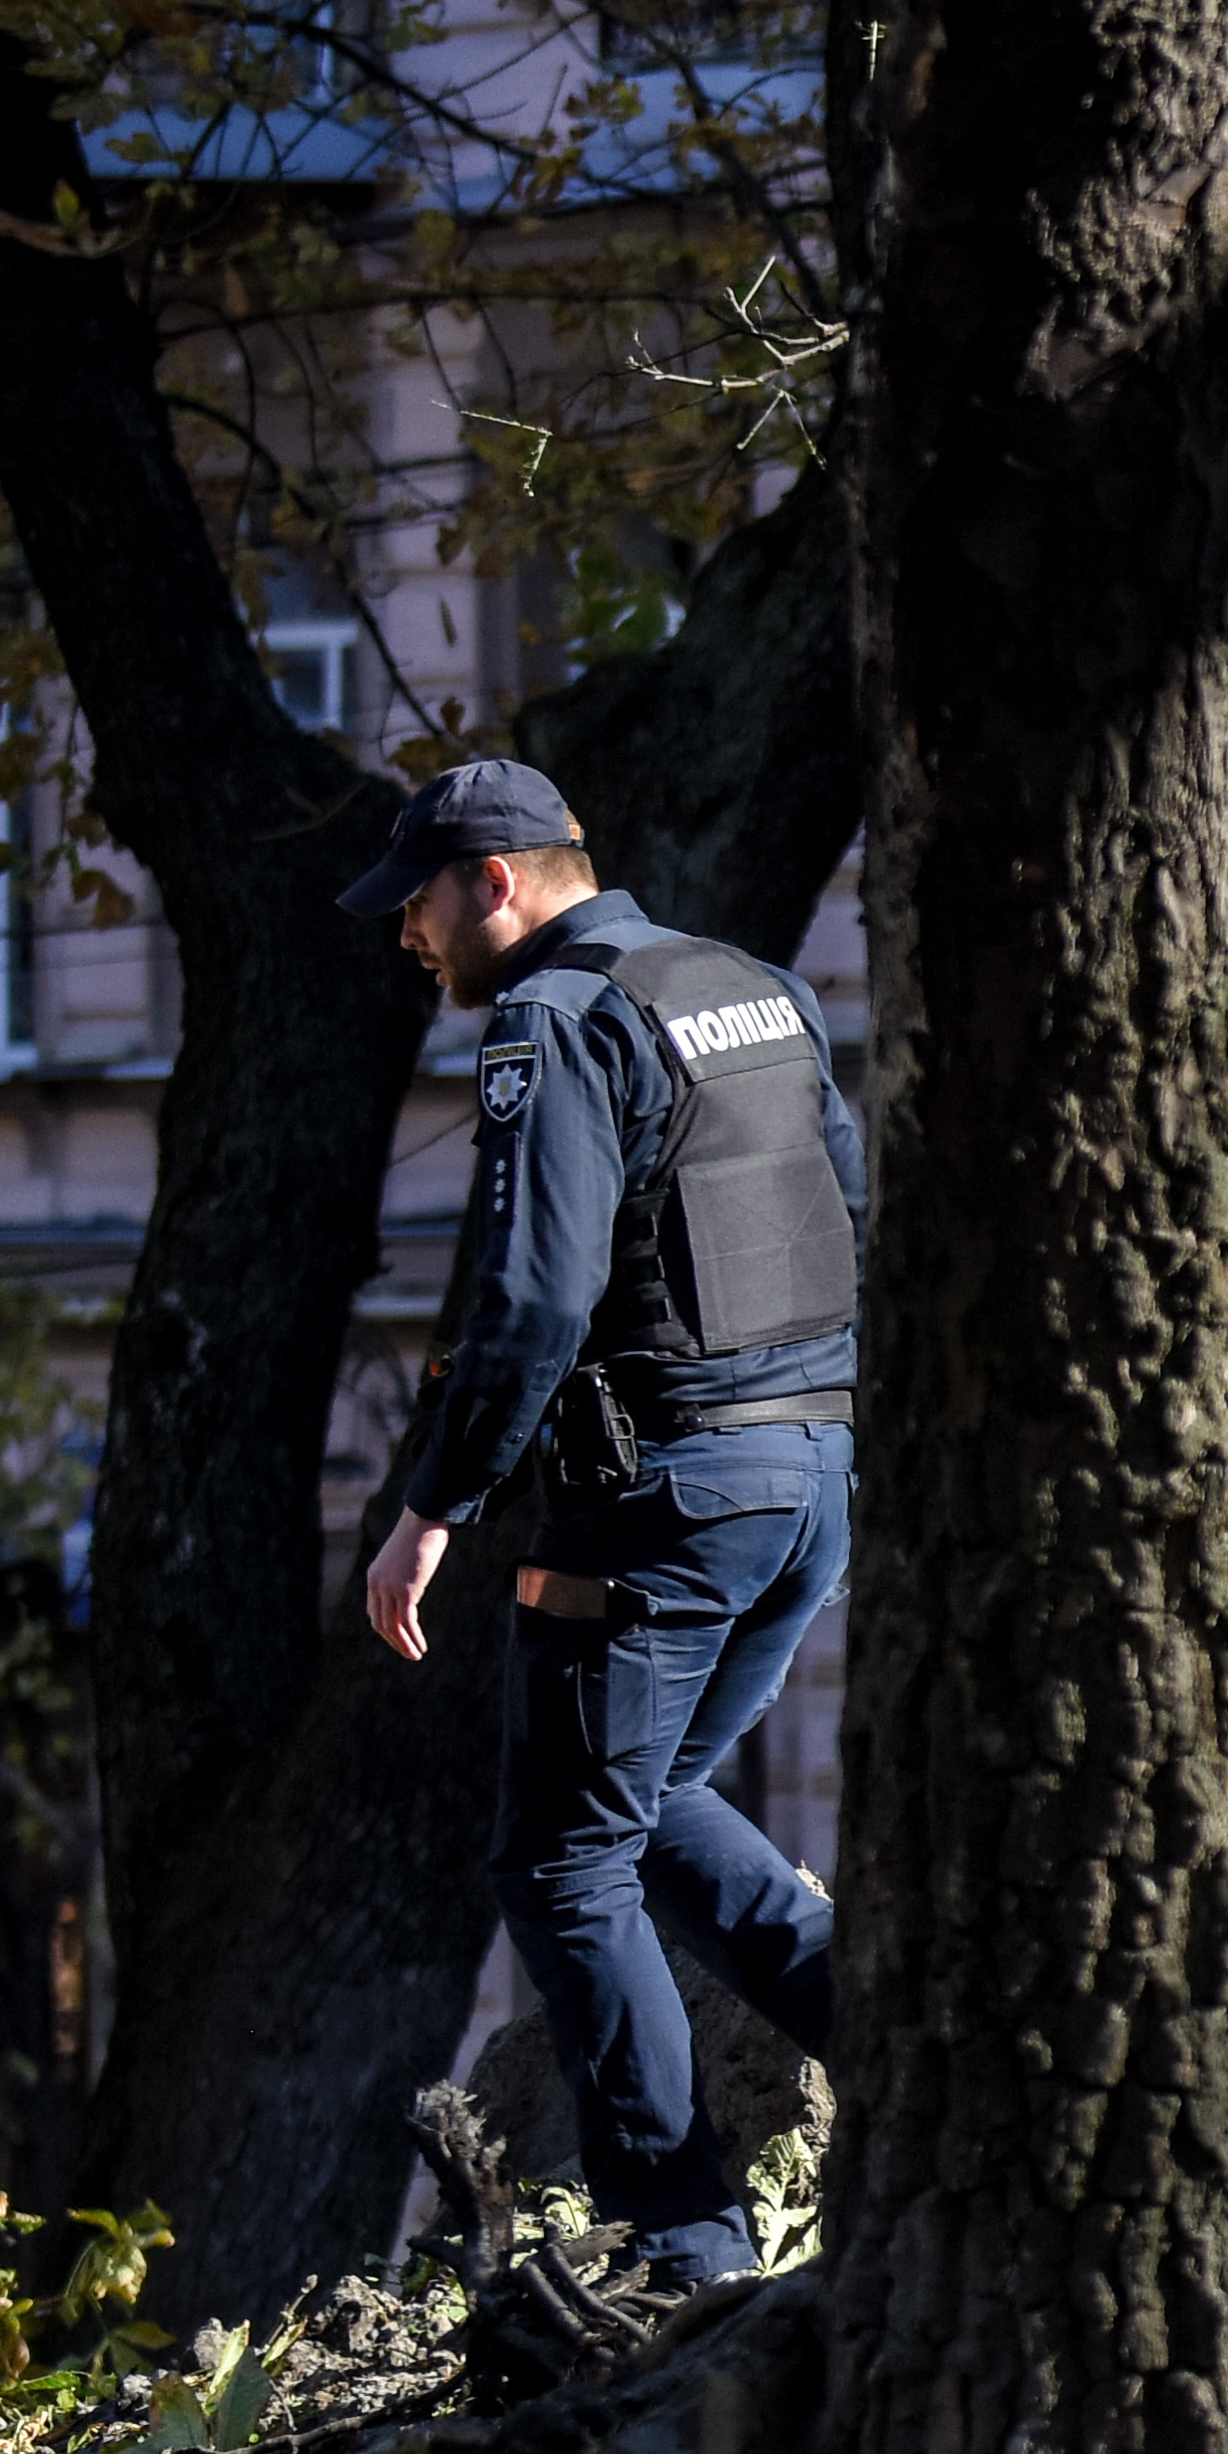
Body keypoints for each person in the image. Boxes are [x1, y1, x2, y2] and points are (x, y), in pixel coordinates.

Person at [343, 756, 859, 2304]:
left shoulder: (555, 1022)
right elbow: (849, 1212)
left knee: (561, 1862)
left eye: (420, 907)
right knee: (659, 1800)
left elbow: (533, 1301)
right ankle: (914, 2054)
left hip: (660, 1508)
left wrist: (431, 1505)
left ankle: (684, 2242)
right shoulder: (753, 991)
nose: (410, 940)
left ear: (494, 881)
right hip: (806, 1483)